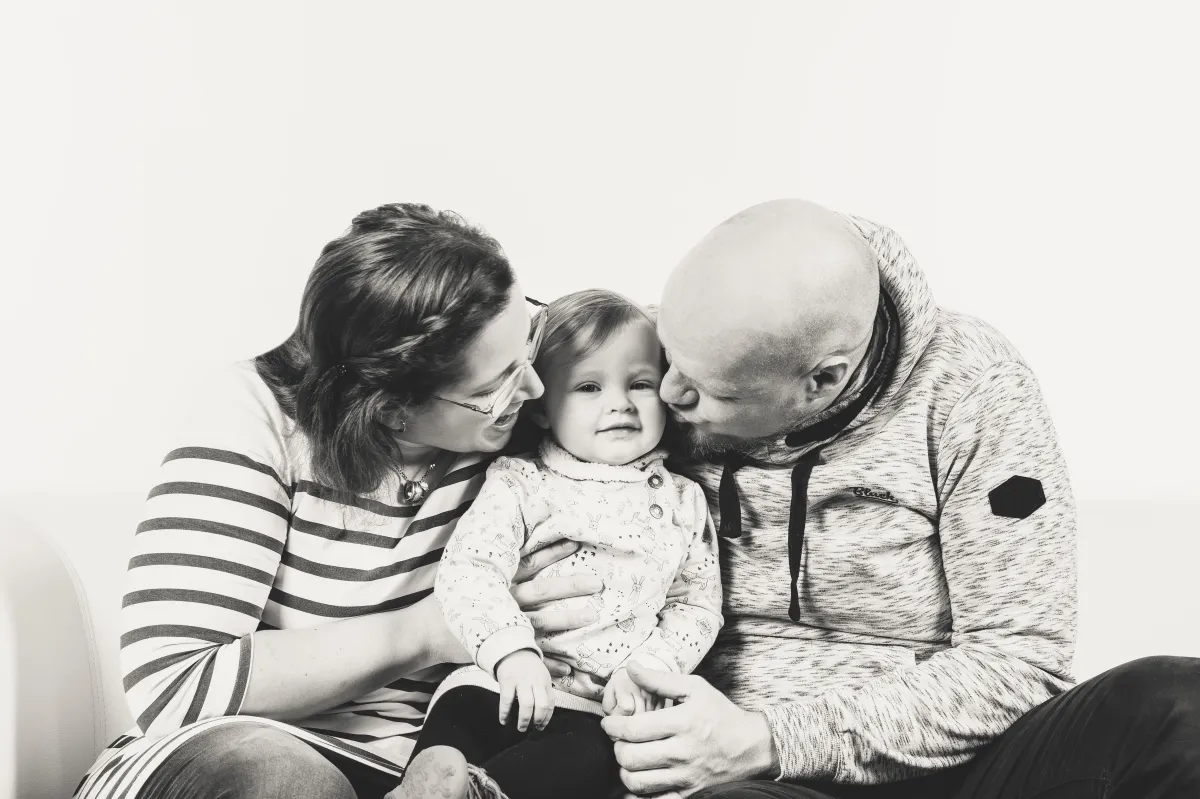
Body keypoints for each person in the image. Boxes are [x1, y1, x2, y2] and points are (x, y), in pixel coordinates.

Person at [599, 199, 1200, 798]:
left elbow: (1020, 660)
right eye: (667, 353)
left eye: (709, 390)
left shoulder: (971, 388)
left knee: (1178, 704)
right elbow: (540, 355)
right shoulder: (659, 355)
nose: (665, 393)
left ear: (823, 380)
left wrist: (773, 739)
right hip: (739, 778)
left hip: (941, 761)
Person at [73, 203, 605, 799]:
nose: (534, 386)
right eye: (494, 386)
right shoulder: (258, 418)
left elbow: (659, 357)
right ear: (391, 409)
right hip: (237, 755)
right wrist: (431, 631)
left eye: (528, 339)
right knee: (285, 779)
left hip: (427, 767)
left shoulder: (523, 426)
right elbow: (173, 687)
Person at [392, 290, 723, 799]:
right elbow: (471, 568)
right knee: (459, 719)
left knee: (596, 758)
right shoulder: (520, 482)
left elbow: (697, 605)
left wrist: (650, 670)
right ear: (543, 409)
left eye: (640, 383)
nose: (620, 403)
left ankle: (478, 792)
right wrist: (510, 650)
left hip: (594, 706)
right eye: (589, 387)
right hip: (496, 680)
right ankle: (432, 782)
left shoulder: (682, 500)